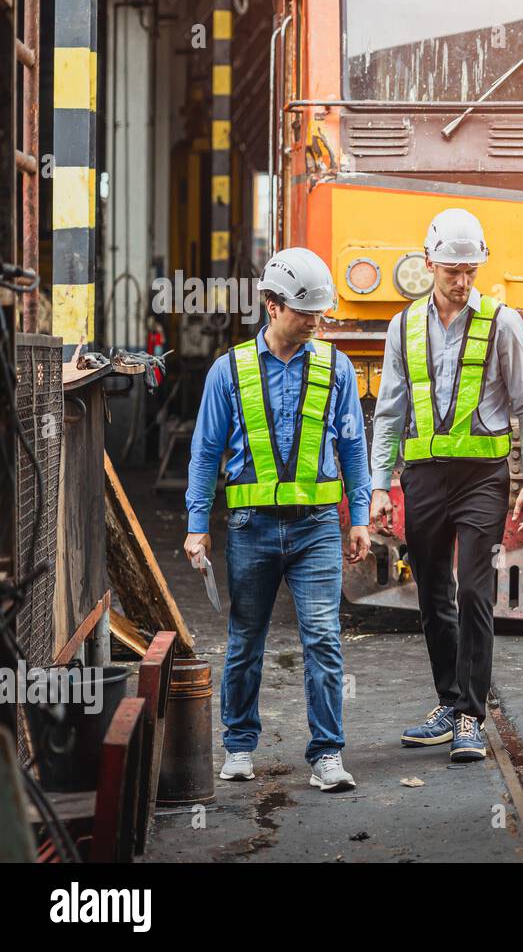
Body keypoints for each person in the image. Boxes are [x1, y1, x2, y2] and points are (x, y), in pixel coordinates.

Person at [183, 247, 371, 792]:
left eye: (320, 313)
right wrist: (198, 525)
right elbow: (204, 452)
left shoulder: (335, 367)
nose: (314, 321)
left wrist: (357, 516)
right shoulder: (228, 371)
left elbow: (354, 449)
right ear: (271, 304)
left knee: (324, 640)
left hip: (316, 528)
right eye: (303, 311)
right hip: (251, 529)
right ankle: (239, 746)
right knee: (245, 641)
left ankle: (328, 754)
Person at [370, 208, 523, 762]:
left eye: (470, 269)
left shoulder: (503, 323)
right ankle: (449, 703)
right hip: (422, 479)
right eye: (451, 269)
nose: (462, 280)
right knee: (431, 592)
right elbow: (390, 410)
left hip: (482, 481)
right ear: (429, 263)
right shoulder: (403, 326)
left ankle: (472, 716)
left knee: (474, 589)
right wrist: (379, 485)